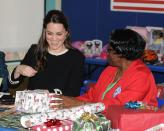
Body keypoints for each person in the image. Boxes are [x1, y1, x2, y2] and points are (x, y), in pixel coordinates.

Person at [53, 28, 158, 114]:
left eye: (109, 50)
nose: (106, 53)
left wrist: (77, 104)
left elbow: (119, 106)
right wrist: (67, 101)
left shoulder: (141, 76)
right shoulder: (110, 70)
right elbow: (91, 96)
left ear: (121, 53)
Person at [10, 10, 85, 96]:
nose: (54, 38)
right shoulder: (35, 51)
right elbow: (12, 85)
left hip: (61, 107)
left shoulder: (76, 57)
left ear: (66, 34)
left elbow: (74, 93)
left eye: (59, 34)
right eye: (49, 33)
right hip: (34, 108)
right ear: (44, 32)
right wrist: (18, 70)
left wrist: (49, 93)